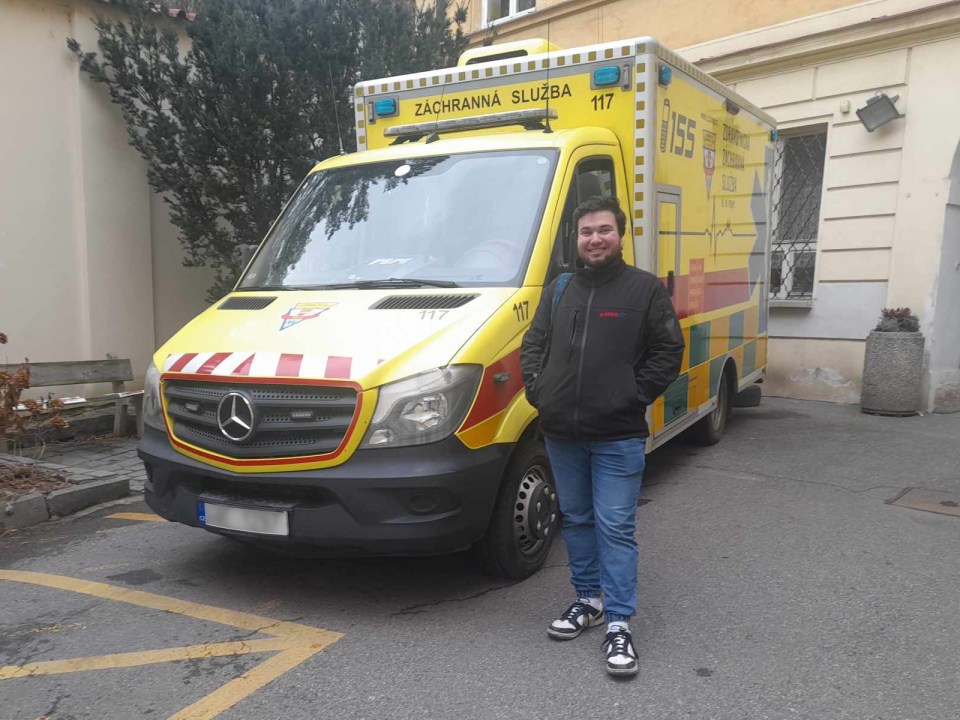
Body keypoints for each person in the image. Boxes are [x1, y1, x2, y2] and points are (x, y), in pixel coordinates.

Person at [520, 195, 684, 677]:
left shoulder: (644, 289)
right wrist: (539, 392)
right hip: (562, 432)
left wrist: (632, 396)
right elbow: (535, 343)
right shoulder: (559, 289)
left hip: (617, 436)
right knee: (576, 519)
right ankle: (587, 600)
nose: (595, 238)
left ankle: (618, 622)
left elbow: (667, 351)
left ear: (620, 234)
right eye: (587, 231)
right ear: (577, 237)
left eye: (604, 230)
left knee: (615, 526)